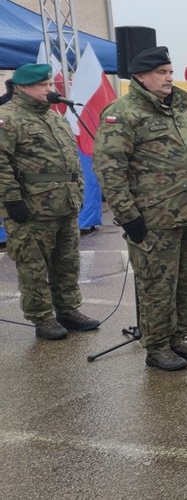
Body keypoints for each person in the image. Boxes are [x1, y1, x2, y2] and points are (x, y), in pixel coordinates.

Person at [95, 46, 187, 371]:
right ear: (140, 77)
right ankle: (157, 346)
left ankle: (176, 338)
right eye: (161, 72)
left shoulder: (177, 111)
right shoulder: (123, 113)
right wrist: (128, 215)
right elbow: (109, 168)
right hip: (153, 220)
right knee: (156, 286)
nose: (168, 78)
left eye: (170, 72)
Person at [0, 63, 100, 340]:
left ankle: (68, 310)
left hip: (64, 204)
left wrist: (77, 191)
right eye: (42, 85)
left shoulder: (55, 118)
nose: (49, 89)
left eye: (50, 84)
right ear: (21, 87)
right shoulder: (7, 118)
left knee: (67, 262)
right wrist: (11, 200)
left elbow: (71, 162)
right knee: (33, 265)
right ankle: (42, 318)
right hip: (32, 207)